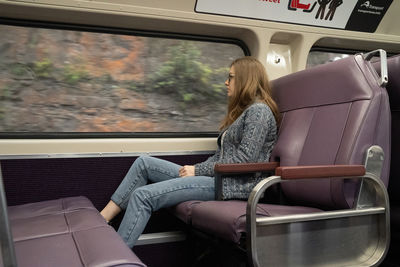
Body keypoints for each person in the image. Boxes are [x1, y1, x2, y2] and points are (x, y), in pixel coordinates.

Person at [100, 56, 280, 248]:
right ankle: (102, 219)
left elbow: (245, 160)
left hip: (233, 187)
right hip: (220, 179)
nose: (226, 82)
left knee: (142, 196)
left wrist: (198, 171)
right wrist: (196, 168)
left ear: (246, 79)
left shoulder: (259, 111)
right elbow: (222, 157)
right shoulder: (245, 112)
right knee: (144, 163)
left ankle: (115, 256)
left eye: (231, 77)